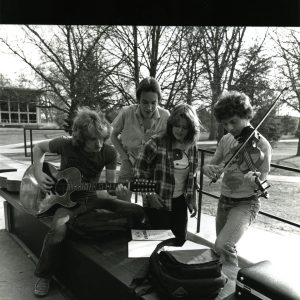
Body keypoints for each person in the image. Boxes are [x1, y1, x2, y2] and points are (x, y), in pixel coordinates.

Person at [32, 107, 145, 297]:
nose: (99, 143)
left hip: (92, 198)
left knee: (138, 212)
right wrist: (38, 172)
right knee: (58, 230)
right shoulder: (65, 145)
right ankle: (44, 275)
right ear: (81, 136)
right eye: (94, 139)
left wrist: (120, 193)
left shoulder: (109, 153)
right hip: (64, 202)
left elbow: (110, 188)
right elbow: (38, 148)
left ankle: (137, 252)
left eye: (102, 137)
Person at [202, 91, 272, 267]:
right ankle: (219, 279)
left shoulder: (262, 145)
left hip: (246, 203)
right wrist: (206, 169)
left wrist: (256, 178)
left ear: (246, 116)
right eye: (225, 124)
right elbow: (213, 164)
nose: (229, 128)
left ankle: (232, 286)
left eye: (233, 121)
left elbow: (263, 180)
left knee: (223, 245)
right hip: (224, 200)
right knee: (223, 247)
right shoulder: (226, 140)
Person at [134, 103, 201, 243]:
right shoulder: (156, 143)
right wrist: (150, 195)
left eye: (185, 127)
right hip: (158, 202)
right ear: (171, 125)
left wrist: (193, 199)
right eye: (177, 125)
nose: (180, 130)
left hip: (180, 202)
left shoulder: (192, 147)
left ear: (191, 129)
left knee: (179, 242)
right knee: (159, 244)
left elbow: (192, 176)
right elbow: (139, 171)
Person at [111, 77, 170, 188]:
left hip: (152, 166)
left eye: (154, 102)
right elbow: (113, 135)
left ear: (159, 100)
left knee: (151, 202)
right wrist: (124, 158)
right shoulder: (126, 112)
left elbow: (170, 141)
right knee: (123, 199)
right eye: (145, 102)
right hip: (129, 162)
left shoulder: (165, 116)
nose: (149, 107)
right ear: (138, 99)